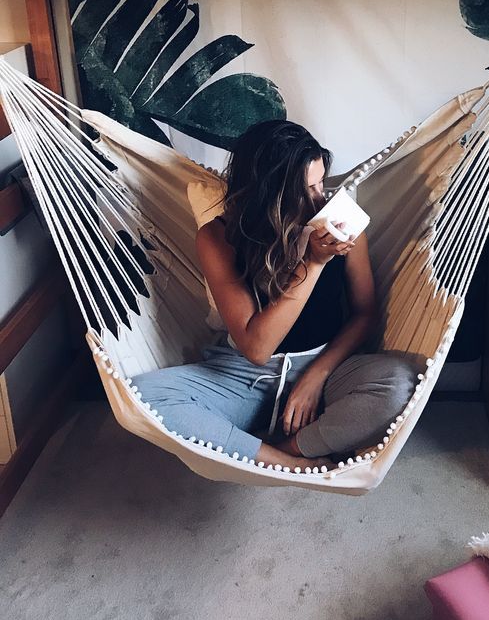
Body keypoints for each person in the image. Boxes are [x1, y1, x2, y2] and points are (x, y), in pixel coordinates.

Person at [133, 120, 417, 471]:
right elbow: (256, 348)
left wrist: (317, 374)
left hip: (330, 364)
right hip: (244, 374)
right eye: (306, 190)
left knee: (399, 382)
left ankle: (293, 446)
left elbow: (365, 313)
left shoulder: (340, 222)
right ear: (268, 193)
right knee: (145, 395)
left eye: (321, 185)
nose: (318, 202)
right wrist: (312, 265)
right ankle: (279, 459)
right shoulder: (219, 237)